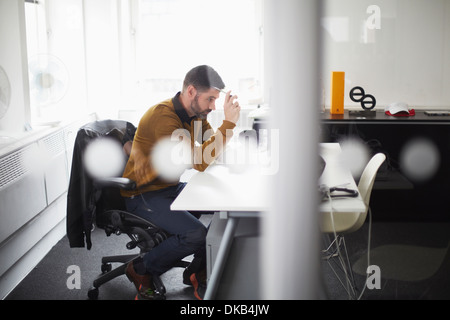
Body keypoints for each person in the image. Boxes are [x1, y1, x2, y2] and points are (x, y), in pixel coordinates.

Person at [121, 65, 240, 300]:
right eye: (211, 99)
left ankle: (197, 272)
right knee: (196, 234)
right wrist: (229, 125)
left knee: (222, 202)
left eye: (216, 100)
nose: (213, 106)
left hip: (168, 189)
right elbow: (200, 160)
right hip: (143, 194)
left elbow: (209, 148)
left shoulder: (195, 115)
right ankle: (140, 269)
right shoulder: (163, 117)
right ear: (192, 91)